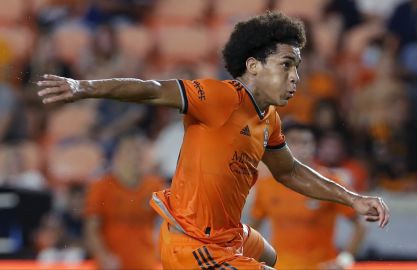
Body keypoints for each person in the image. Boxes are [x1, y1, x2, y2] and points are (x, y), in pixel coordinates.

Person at [37, 11, 389, 270]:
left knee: (270, 256)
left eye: (297, 67)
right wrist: (82, 87)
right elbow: (151, 91)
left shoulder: (269, 119)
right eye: (286, 65)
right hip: (192, 242)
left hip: (230, 233)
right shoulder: (219, 97)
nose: (295, 77)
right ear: (253, 66)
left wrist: (353, 199)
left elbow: (290, 172)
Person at [250, 123, 365, 269]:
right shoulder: (266, 184)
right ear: (281, 146)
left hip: (321, 266)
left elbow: (361, 225)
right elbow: (253, 228)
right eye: (293, 141)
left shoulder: (330, 182)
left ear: (314, 146)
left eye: (305, 142)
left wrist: (345, 259)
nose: (300, 147)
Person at [84, 133, 164, 269]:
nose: (135, 156)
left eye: (139, 150)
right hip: (112, 265)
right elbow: (92, 228)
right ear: (117, 155)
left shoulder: (155, 186)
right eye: (130, 150)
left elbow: (166, 224)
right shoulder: (101, 186)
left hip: (146, 264)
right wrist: (103, 256)